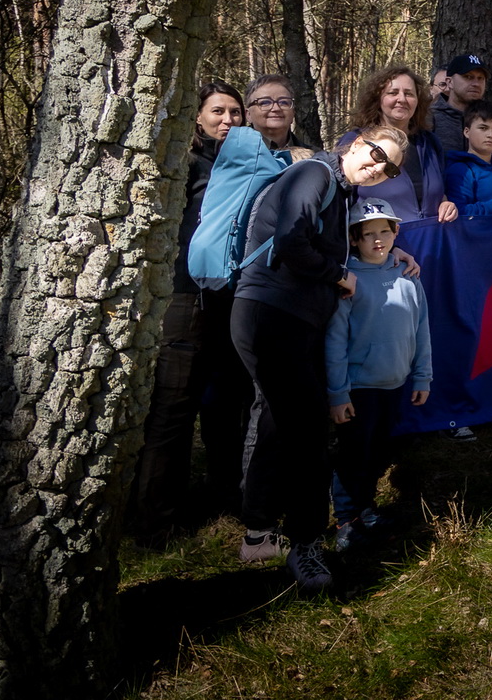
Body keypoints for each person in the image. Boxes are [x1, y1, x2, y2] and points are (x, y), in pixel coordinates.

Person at [232, 125, 407, 594]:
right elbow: (292, 241)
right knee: (309, 431)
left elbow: (340, 242)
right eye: (376, 154)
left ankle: (258, 532)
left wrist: (395, 252)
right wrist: (337, 275)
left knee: (278, 422)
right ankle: (305, 544)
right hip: (271, 314)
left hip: (292, 319)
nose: (379, 167)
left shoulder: (343, 193)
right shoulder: (315, 174)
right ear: (357, 143)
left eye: (390, 167)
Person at [132, 82, 250, 546]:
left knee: (227, 405)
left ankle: (224, 497)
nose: (228, 120)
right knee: (173, 411)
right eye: (218, 111)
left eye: (235, 112)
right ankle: (155, 524)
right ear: (198, 116)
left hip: (232, 299)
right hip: (185, 299)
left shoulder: (243, 162)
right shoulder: (185, 163)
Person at [326, 199, 431, 551]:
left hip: (395, 383)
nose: (377, 240)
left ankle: (366, 509)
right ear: (353, 239)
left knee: (378, 453)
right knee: (353, 455)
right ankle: (346, 521)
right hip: (359, 387)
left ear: (396, 233)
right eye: (368, 234)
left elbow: (421, 329)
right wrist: (338, 393)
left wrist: (422, 377)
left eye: (384, 232)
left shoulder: (408, 275)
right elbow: (335, 341)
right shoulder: (347, 282)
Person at [338, 65, 458, 223]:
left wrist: (445, 204)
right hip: (379, 237)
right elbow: (340, 202)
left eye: (409, 94)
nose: (401, 99)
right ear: (378, 99)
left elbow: (439, 191)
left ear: (418, 101)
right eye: (393, 93)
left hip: (429, 236)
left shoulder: (429, 142)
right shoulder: (358, 141)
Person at [432, 53, 487, 154]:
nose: (476, 84)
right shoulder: (430, 117)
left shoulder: (490, 118)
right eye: (468, 77)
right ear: (449, 82)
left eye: (480, 78)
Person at [245, 74, 313, 151]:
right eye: (265, 102)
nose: (276, 108)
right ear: (248, 115)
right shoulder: (235, 154)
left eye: (284, 102)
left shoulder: (314, 156)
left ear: (293, 112)